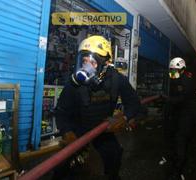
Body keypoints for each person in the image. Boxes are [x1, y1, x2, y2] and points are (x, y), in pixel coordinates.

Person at [54, 35, 141, 180]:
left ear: (105, 64)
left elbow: (134, 103)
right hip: (78, 129)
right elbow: (61, 112)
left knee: (114, 155)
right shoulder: (74, 83)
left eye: (93, 62)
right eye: (84, 61)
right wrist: (67, 132)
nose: (86, 67)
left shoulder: (117, 80)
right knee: (63, 166)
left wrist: (125, 118)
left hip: (102, 128)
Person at [162, 57, 196, 180]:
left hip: (187, 116)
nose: (172, 72)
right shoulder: (177, 79)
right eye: (171, 69)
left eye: (175, 70)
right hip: (180, 114)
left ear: (182, 69)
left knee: (180, 141)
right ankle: (176, 163)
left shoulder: (186, 81)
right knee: (175, 139)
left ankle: (178, 172)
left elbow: (183, 99)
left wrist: (168, 99)